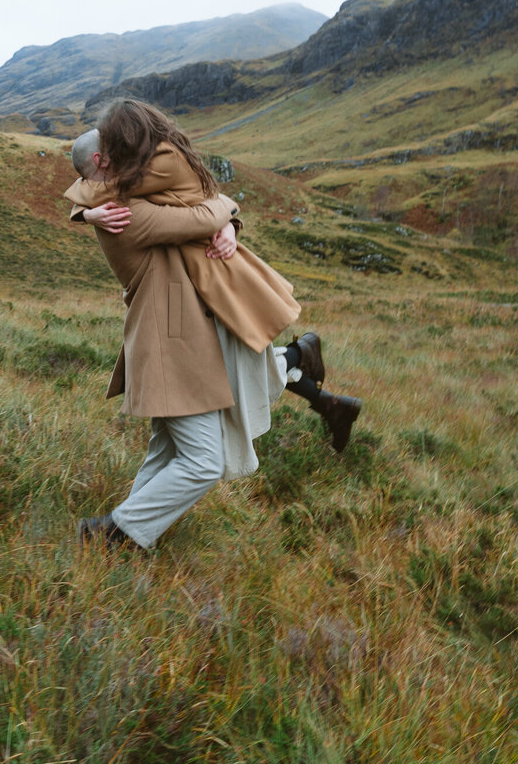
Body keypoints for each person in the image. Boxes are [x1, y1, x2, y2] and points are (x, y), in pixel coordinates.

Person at [65, 99, 362, 551]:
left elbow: (200, 205)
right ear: (103, 164)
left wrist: (231, 224)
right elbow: (202, 213)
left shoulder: (122, 199)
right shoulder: (126, 215)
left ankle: (124, 535)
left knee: (166, 450)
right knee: (204, 461)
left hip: (181, 337)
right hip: (169, 344)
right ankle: (113, 534)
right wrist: (225, 215)